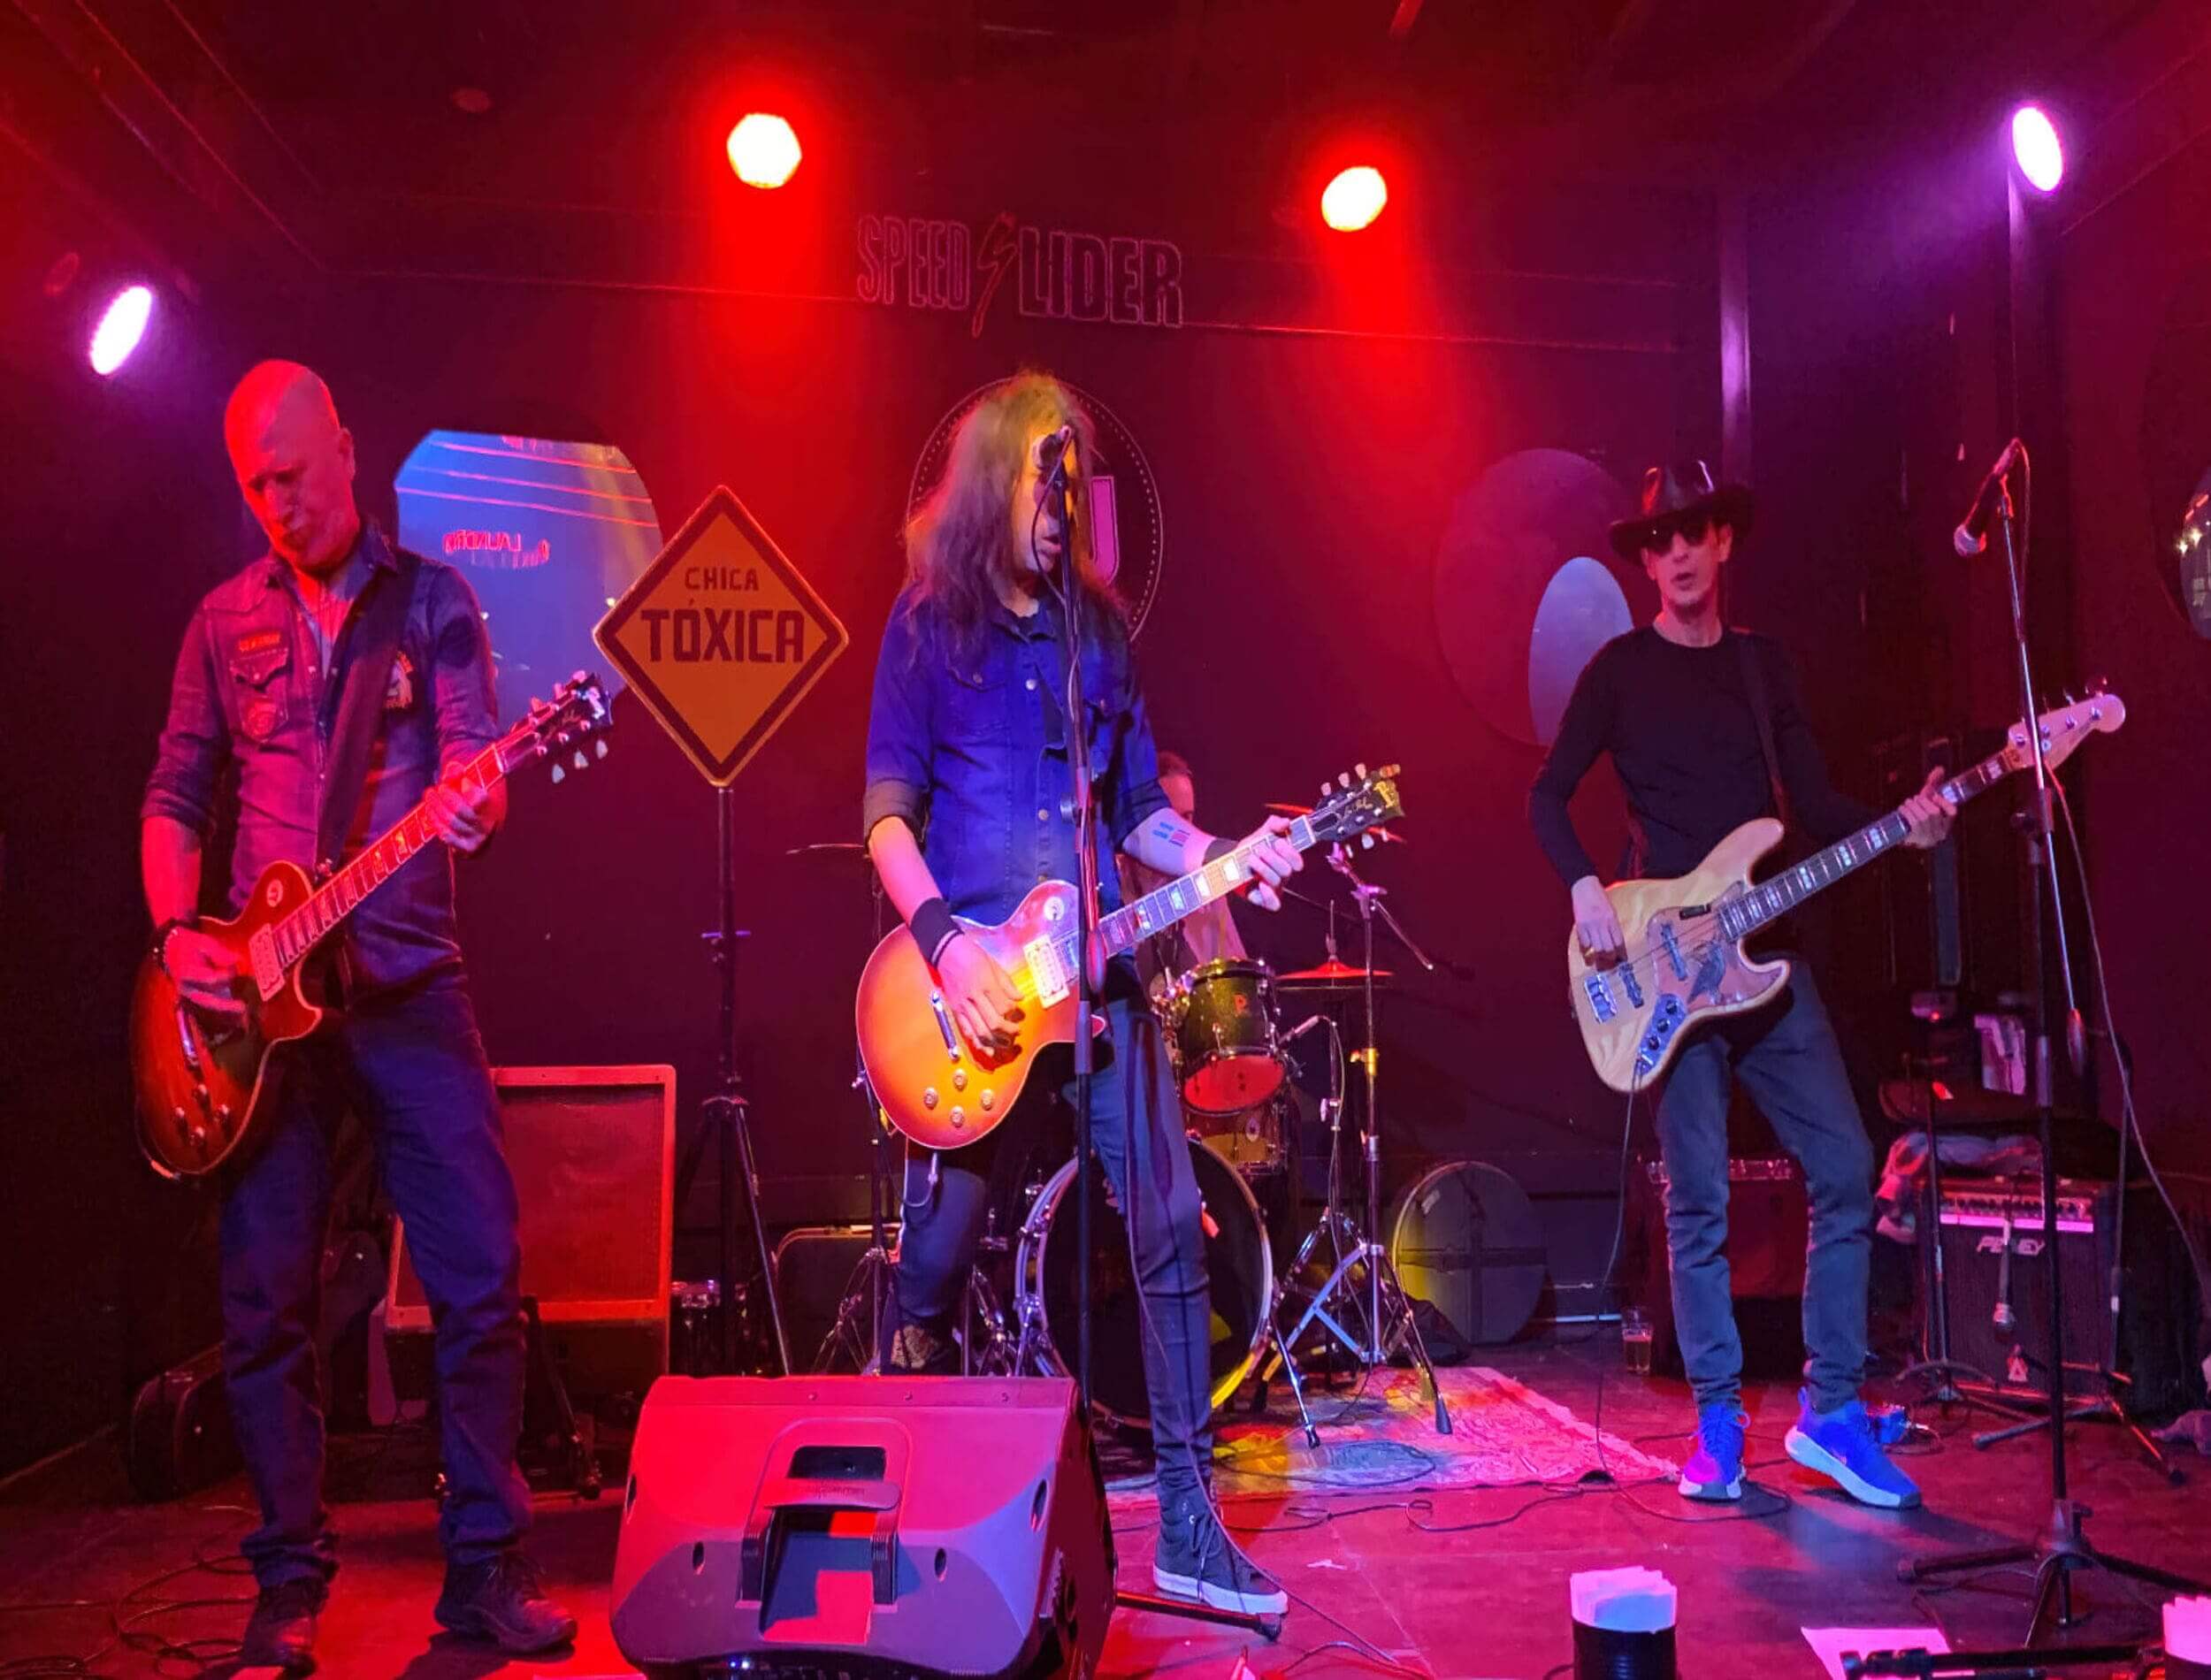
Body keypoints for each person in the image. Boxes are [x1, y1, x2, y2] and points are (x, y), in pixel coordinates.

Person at [142, 362, 575, 1669]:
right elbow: (176, 795)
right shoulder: (222, 619)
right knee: (264, 1305)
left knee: (480, 1279)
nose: (278, 503)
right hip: (254, 1007)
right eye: (254, 487)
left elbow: (473, 765)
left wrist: (478, 802)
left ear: (344, 447)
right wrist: (178, 935)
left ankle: (486, 1572)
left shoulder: (431, 603)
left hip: (406, 977)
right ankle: (286, 1587)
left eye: (293, 474)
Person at [862, 372, 1299, 1615]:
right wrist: (947, 949)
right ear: (994, 482)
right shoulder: (926, 625)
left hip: (1099, 987)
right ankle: (893, 1524)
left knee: (1166, 1227)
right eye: (1045, 485)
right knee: (933, 1266)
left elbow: (1142, 815)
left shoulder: (1094, 634)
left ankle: (1188, 1527)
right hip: (971, 1002)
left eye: (1074, 489)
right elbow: (886, 820)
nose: (1063, 512)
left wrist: (1227, 855)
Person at [1527, 460, 1954, 1509]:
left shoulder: (1765, 669)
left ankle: (1830, 1412)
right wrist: (1582, 885)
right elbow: (1547, 796)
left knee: (1846, 1169)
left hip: (1767, 959)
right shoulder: (1618, 673)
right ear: (1646, 560)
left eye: (1693, 533)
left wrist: (1902, 825)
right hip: (1670, 978)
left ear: (1723, 543)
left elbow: (1811, 803)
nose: (1675, 552)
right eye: (1658, 539)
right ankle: (1718, 1422)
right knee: (1699, 1200)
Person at [1119, 747, 1250, 1000]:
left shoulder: (1206, 887)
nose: (1183, 833)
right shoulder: (1113, 887)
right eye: (1172, 821)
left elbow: (1237, 982)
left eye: (1188, 818)